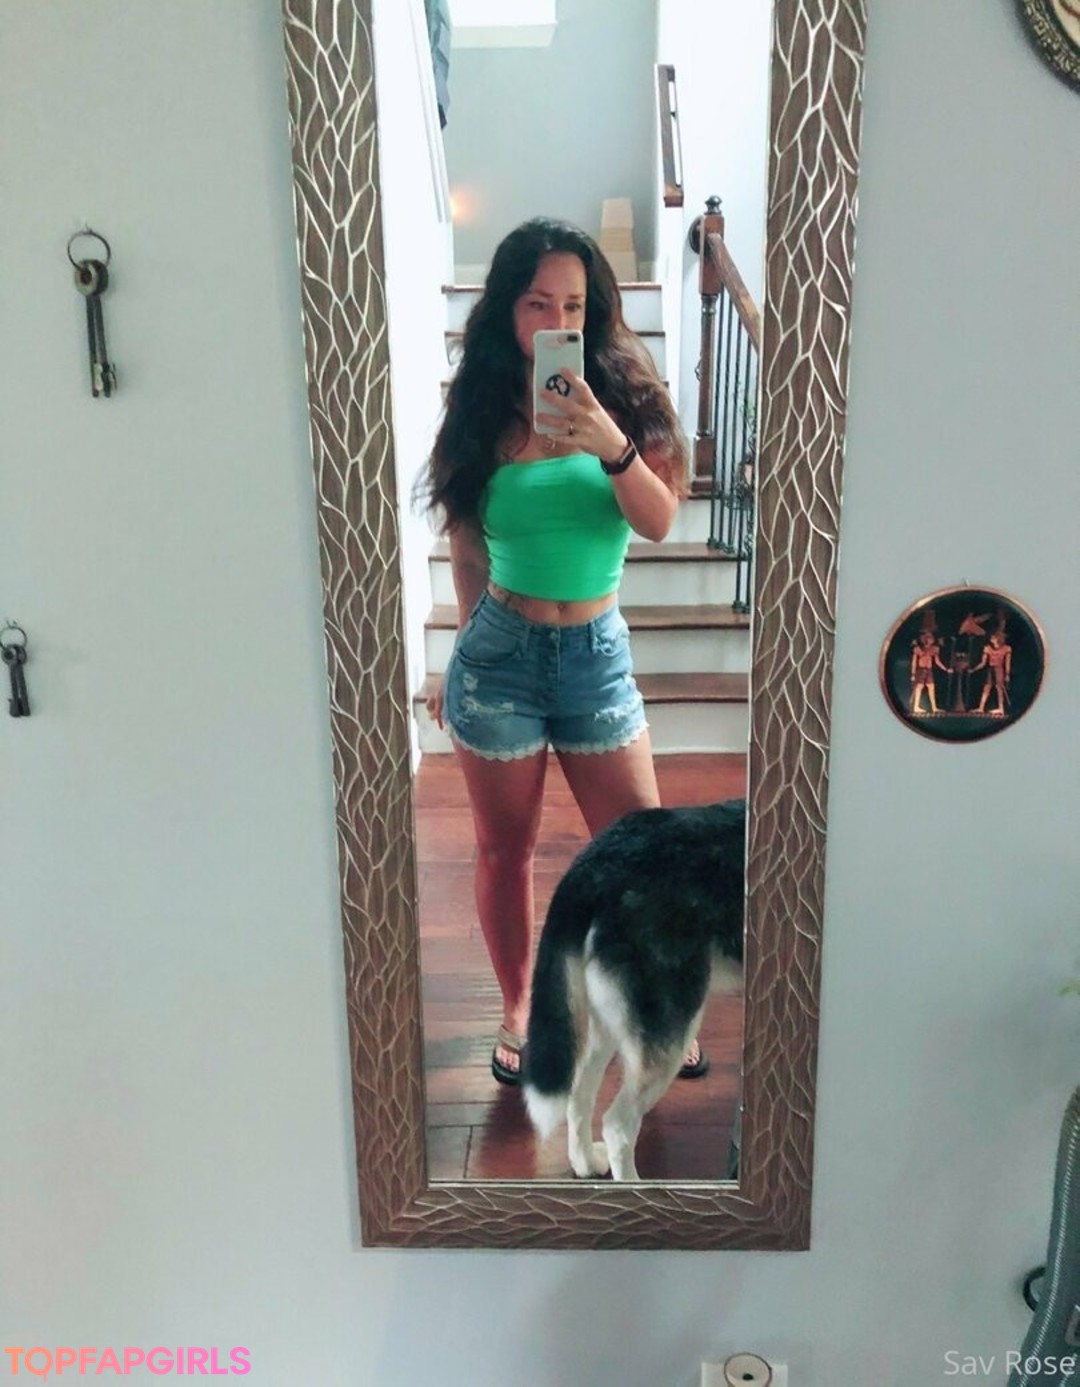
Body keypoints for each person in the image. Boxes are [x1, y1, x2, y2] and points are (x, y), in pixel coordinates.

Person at [419, 216, 704, 1086]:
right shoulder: (478, 409)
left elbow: (658, 522)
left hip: (594, 655)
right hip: (499, 654)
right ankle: (519, 1008)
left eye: (573, 304)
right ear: (508, 308)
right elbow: (468, 549)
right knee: (504, 849)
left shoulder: (628, 400)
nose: (555, 319)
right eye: (537, 302)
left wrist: (608, 442)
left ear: (595, 310)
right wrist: (459, 655)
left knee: (640, 852)